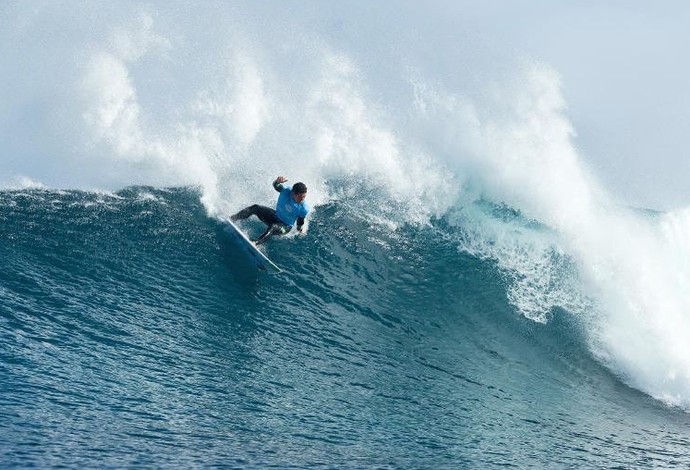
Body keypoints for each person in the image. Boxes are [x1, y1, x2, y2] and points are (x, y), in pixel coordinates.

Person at [230, 176, 310, 245]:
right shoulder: (285, 191)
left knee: (273, 227)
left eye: (304, 197)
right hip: (275, 216)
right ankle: (232, 218)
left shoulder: (304, 208)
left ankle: (256, 243)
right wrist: (277, 181)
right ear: (293, 193)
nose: (302, 199)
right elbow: (276, 185)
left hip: (285, 226)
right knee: (255, 207)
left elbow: (300, 221)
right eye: (300, 197)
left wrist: (300, 230)